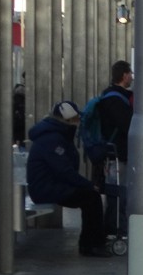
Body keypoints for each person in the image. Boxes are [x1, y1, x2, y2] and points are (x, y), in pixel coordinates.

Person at [26, 101, 112, 257]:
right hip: (45, 188)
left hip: (50, 185)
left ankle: (91, 243)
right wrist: (88, 185)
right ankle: (91, 244)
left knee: (89, 198)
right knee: (91, 198)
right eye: (74, 119)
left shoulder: (56, 135)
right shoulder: (52, 139)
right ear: (65, 121)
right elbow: (64, 170)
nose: (78, 122)